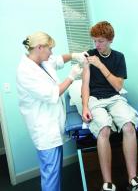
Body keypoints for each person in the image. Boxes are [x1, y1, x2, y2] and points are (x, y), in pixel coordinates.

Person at [81, 21, 138, 191]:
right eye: (94, 41)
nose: (96, 45)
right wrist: (84, 107)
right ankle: (108, 184)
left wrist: (100, 65)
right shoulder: (89, 56)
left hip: (114, 97)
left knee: (128, 126)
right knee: (104, 129)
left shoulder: (119, 57)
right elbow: (85, 85)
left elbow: (118, 87)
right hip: (95, 99)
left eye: (101, 41)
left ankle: (133, 179)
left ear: (110, 40)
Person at [16, 31, 88, 191]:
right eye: (50, 49)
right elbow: (53, 94)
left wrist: (75, 55)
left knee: (54, 171)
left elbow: (59, 60)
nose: (52, 52)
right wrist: (71, 76)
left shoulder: (41, 61)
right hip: (44, 130)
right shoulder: (25, 72)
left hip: (53, 126)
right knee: (51, 173)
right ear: (40, 47)